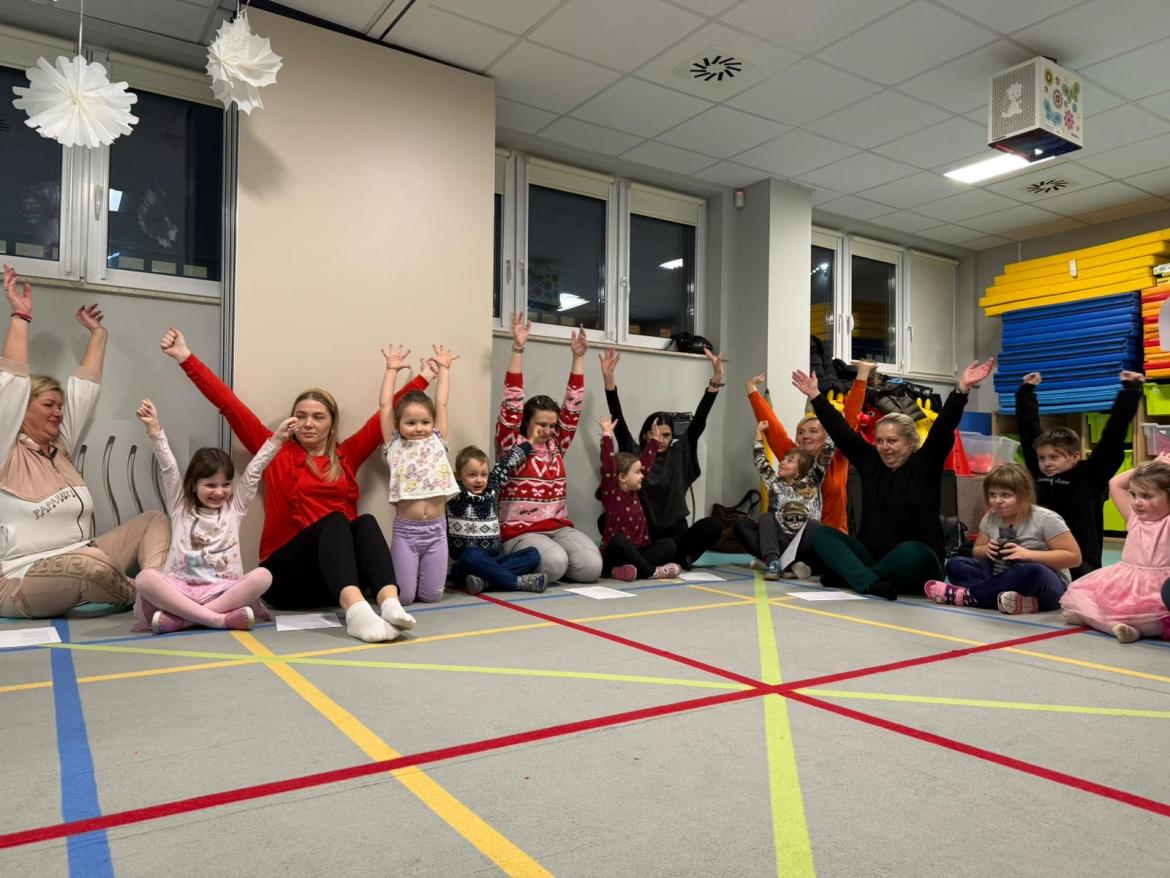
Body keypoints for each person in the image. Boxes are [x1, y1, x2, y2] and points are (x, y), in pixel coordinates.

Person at [161, 327, 425, 643]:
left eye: (318, 417)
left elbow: (385, 416)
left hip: (337, 581)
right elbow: (229, 405)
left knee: (365, 522)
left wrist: (424, 378)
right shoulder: (275, 451)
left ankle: (390, 604)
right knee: (335, 521)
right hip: (286, 582)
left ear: (332, 424)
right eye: (301, 416)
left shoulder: (347, 455)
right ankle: (357, 614)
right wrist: (185, 358)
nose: (308, 423)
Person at [0, 267, 169, 618]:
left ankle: (158, 589)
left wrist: (99, 335)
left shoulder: (59, 447)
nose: (58, 412)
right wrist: (20, 316)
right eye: (48, 405)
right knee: (89, 564)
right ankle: (154, 598)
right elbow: (11, 385)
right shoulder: (7, 451)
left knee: (153, 520)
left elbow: (84, 389)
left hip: (85, 553)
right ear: (22, 409)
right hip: (21, 577)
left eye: (60, 406)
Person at [794, 358, 996, 600]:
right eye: (880, 441)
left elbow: (943, 428)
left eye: (892, 441)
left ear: (911, 442)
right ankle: (870, 581)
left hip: (919, 564)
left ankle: (856, 577)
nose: (884, 447)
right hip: (875, 559)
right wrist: (815, 396)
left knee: (913, 551)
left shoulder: (925, 463)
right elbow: (841, 431)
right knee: (821, 534)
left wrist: (961, 390)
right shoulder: (870, 461)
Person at [132, 399, 294, 633]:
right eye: (210, 485)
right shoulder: (180, 506)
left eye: (225, 484)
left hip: (223, 592)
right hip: (180, 591)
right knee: (145, 578)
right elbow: (168, 467)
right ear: (194, 485)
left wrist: (276, 440)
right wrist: (154, 428)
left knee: (263, 576)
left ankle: (185, 619)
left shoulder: (234, 508)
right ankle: (217, 619)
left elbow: (254, 472)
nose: (219, 492)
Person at [496, 314, 602, 583]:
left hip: (558, 528)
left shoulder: (557, 444)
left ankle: (552, 559)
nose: (548, 430)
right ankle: (513, 562)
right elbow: (512, 400)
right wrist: (517, 349)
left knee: (591, 567)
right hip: (520, 531)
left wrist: (578, 358)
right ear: (525, 423)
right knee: (555, 564)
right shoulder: (511, 444)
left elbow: (573, 406)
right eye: (541, 424)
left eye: (552, 425)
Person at [599, 345, 723, 568]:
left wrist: (715, 382)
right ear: (646, 435)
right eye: (655, 434)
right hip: (643, 533)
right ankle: (666, 561)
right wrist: (609, 380)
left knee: (712, 526)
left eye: (667, 435)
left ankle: (674, 558)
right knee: (604, 521)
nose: (662, 439)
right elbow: (619, 420)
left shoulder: (680, 452)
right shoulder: (636, 454)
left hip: (675, 532)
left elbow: (699, 421)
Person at [1016, 370, 1142, 578]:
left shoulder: (1091, 476)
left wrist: (1130, 391)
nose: (1046, 463)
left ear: (1075, 457)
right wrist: (1026, 392)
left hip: (1081, 565)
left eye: (1054, 457)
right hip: (1041, 557)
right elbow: (1027, 428)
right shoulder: (1038, 471)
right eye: (1042, 458)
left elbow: (1114, 433)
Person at [925, 462, 1079, 614]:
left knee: (1034, 571)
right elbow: (977, 550)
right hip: (1001, 575)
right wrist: (985, 550)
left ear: (1024, 494)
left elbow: (1074, 558)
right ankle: (1020, 602)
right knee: (956, 564)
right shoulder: (991, 517)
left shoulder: (1046, 518)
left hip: (1046, 583)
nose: (997, 500)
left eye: (1005, 495)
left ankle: (969, 596)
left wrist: (1028, 554)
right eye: (992, 494)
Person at [745, 361, 871, 534]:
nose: (805, 436)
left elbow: (850, 419)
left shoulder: (837, 457)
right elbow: (772, 427)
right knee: (746, 527)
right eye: (801, 432)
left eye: (813, 431)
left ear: (827, 436)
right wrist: (751, 389)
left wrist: (862, 374)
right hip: (794, 537)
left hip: (831, 535)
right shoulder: (793, 455)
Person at [380, 343, 460, 603]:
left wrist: (444, 370)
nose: (419, 428)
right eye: (410, 423)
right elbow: (385, 406)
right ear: (398, 424)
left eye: (425, 422)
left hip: (437, 530)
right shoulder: (394, 445)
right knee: (404, 598)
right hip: (406, 532)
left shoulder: (437, 440)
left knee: (432, 597)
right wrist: (391, 371)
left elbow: (442, 403)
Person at [1060, 456, 1170, 642]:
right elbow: (1115, 483)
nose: (1137, 502)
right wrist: (1151, 466)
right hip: (1126, 580)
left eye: (1147, 496)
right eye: (1134, 495)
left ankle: (1114, 624)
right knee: (1080, 596)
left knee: (1153, 616)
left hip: (1157, 586)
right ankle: (1119, 626)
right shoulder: (1133, 518)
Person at [446, 443, 545, 595]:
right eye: (472, 475)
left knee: (532, 555)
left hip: (494, 560)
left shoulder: (492, 490)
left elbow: (506, 463)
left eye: (483, 475)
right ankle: (517, 582)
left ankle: (485, 582)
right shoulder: (454, 494)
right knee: (473, 554)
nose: (479, 480)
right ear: (458, 476)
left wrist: (531, 442)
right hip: (465, 565)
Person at [598, 415, 682, 582]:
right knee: (619, 541)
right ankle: (651, 571)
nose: (642, 475)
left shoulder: (633, 493)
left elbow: (646, 463)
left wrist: (654, 441)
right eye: (637, 473)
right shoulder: (612, 494)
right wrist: (607, 436)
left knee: (669, 545)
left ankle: (624, 571)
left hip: (636, 552)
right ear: (622, 477)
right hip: (614, 553)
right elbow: (608, 466)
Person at [736, 420, 821, 581]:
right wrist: (758, 434)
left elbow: (825, 458)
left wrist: (831, 431)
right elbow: (761, 463)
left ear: (799, 472)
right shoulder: (774, 484)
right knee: (759, 520)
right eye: (784, 459)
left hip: (800, 543)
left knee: (817, 526)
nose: (782, 462)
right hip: (778, 540)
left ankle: (790, 564)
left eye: (790, 461)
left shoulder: (811, 483)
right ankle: (774, 564)